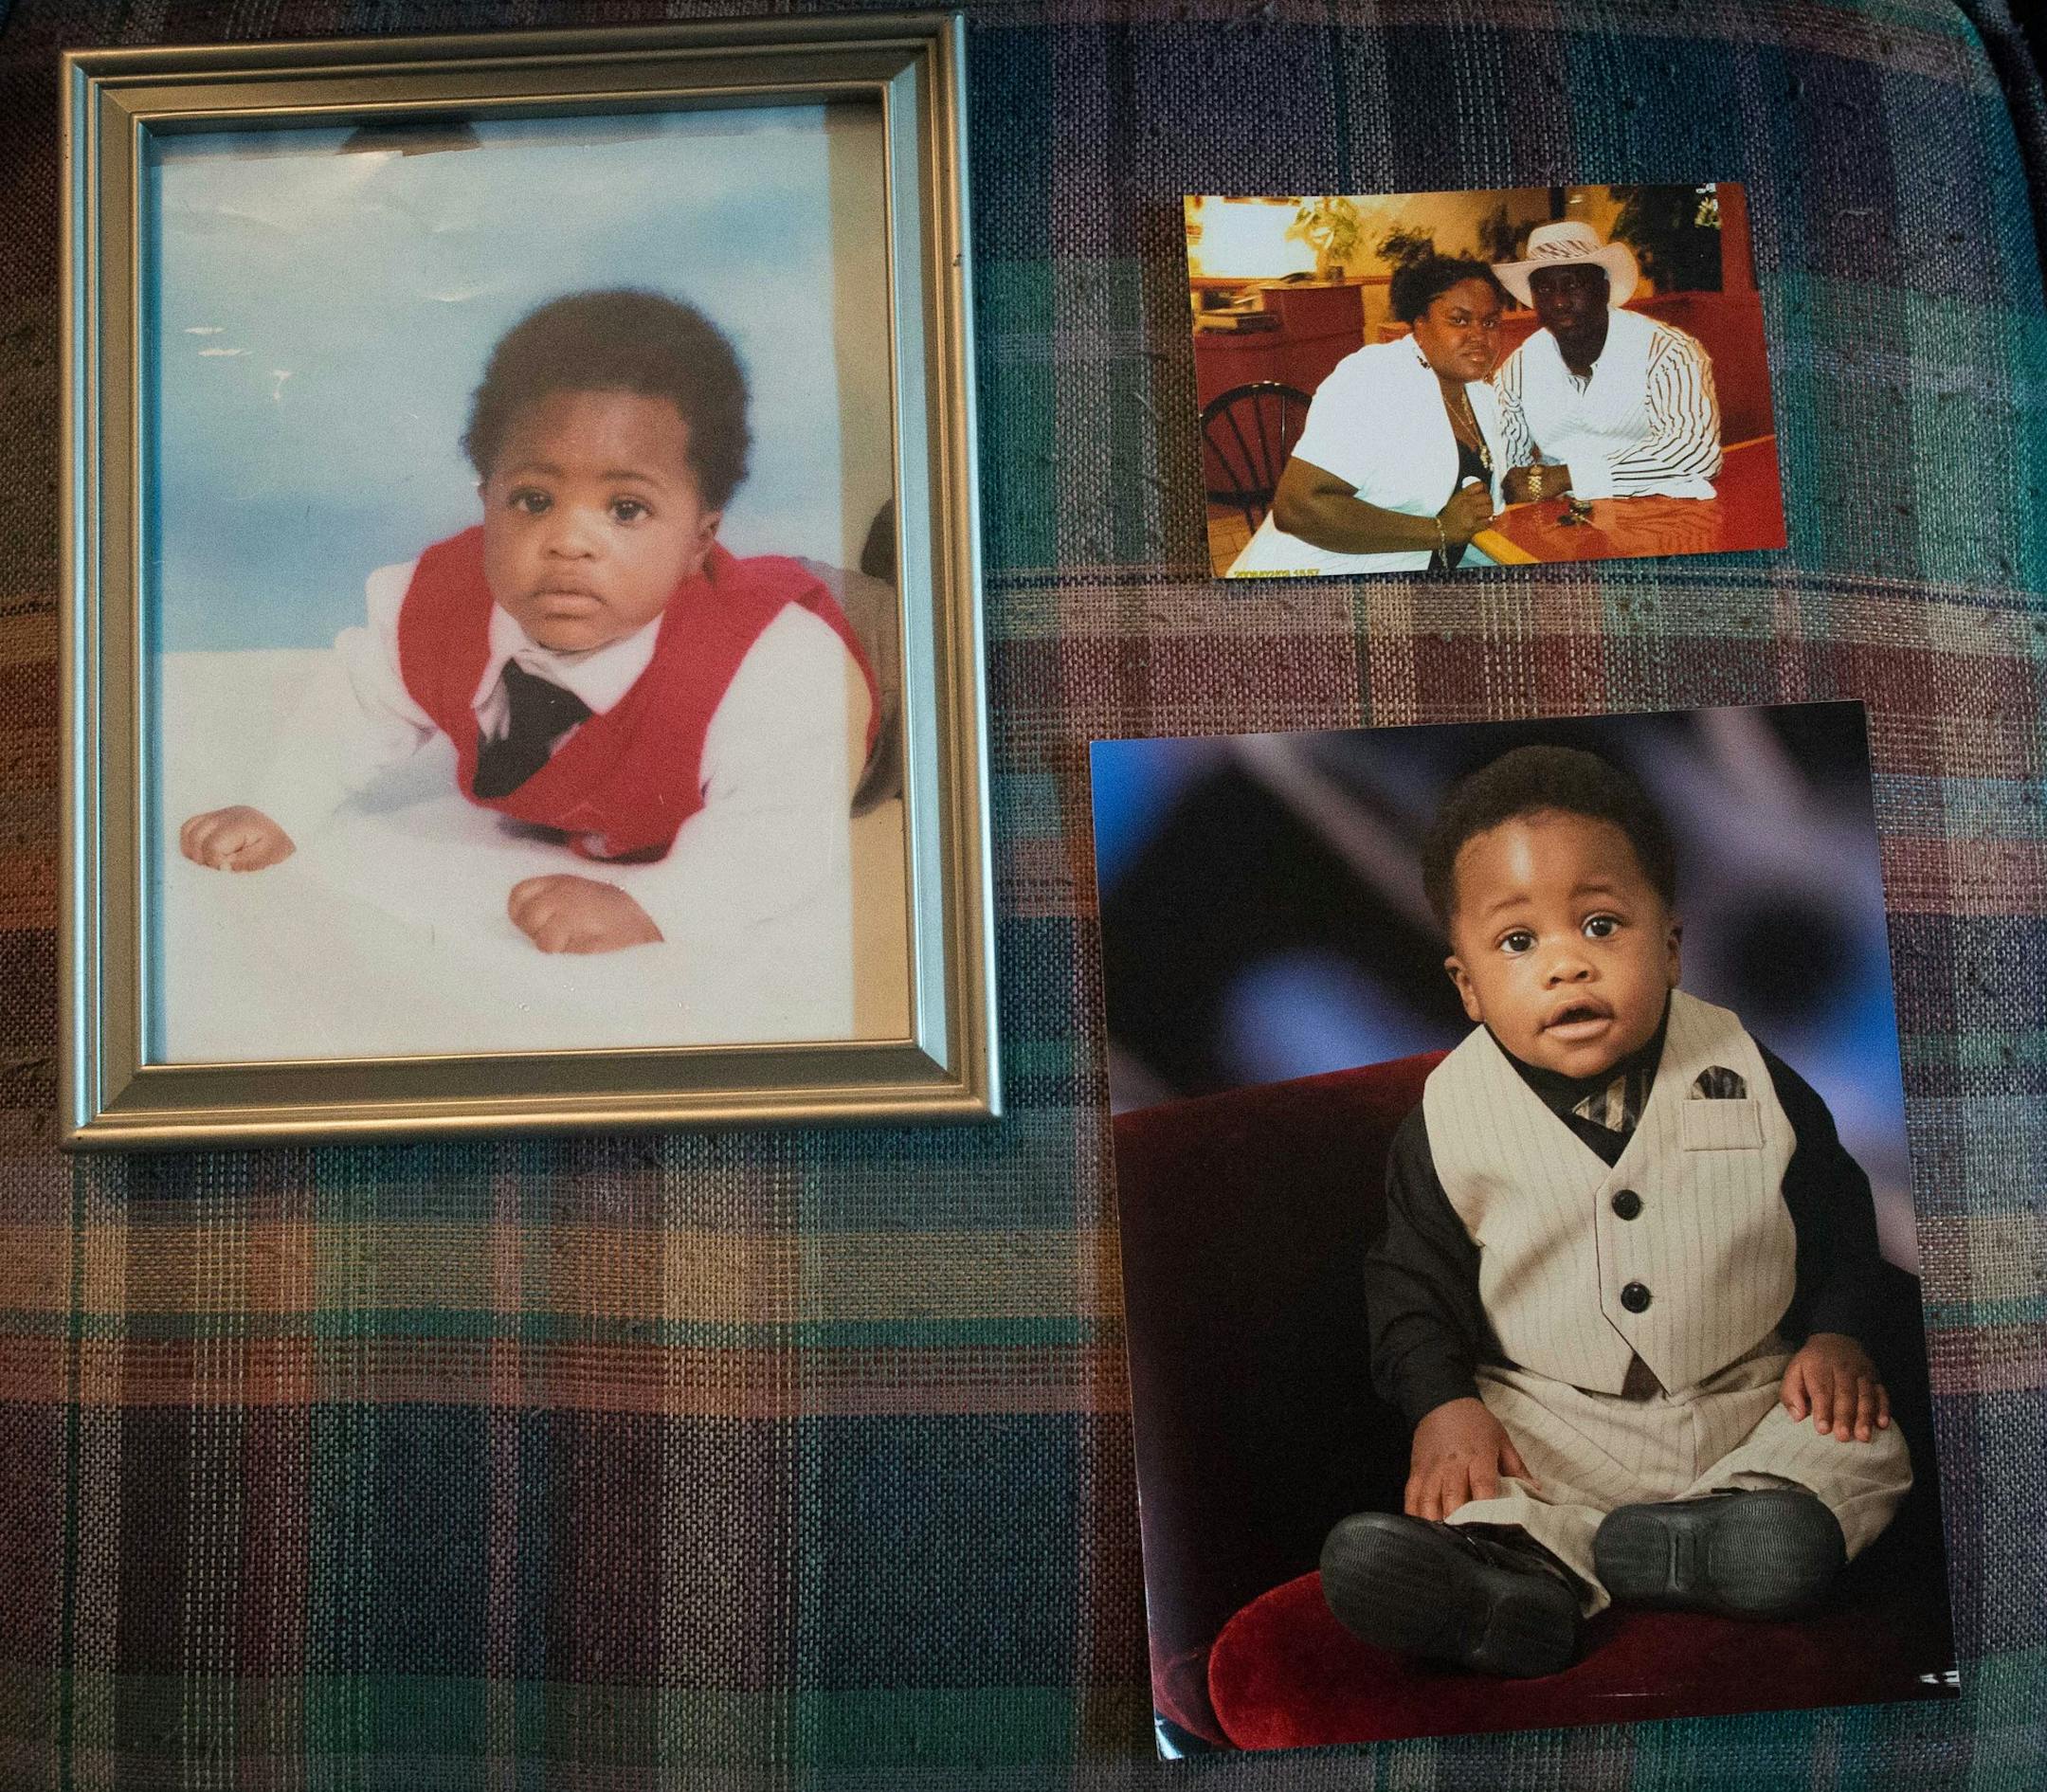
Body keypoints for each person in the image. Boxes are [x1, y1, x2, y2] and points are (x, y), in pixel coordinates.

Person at [1319, 745, 1912, 1676]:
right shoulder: (1450, 1115)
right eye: (1520, 943)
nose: (1565, 967)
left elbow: (1838, 1215)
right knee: (1495, 1477)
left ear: (1672, 945)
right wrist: (1441, 1404)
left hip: (1746, 1397)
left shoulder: (1752, 1067)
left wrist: (1838, 1336)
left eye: (1600, 925)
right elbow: (1411, 1277)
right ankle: (1504, 1586)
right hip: (1565, 1418)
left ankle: (1736, 1541)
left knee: (1858, 1446)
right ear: (1468, 986)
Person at [178, 289, 879, 955]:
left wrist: (654, 907)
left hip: (867, 653)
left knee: (930, 630)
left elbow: (779, 832)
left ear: (700, 538)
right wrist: (280, 806)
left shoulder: (772, 670)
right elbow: (359, 704)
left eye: (626, 509)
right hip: (748, 593)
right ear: (486, 501)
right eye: (534, 500)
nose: (569, 541)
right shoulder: (436, 603)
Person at [1225, 257, 1509, 577]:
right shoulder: (1376, 378)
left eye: (1490, 323)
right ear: (1419, 324)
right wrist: (1440, 530)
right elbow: (1297, 508)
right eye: (1459, 320)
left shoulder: (1480, 395)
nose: (1479, 336)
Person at [1488, 221, 1722, 505]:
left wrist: (1565, 477)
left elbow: (1696, 452)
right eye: (1545, 289)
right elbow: (1508, 469)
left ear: (1605, 289)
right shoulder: (1518, 370)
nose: (1559, 302)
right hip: (1564, 525)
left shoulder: (1668, 352)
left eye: (1573, 284)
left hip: (1660, 515)